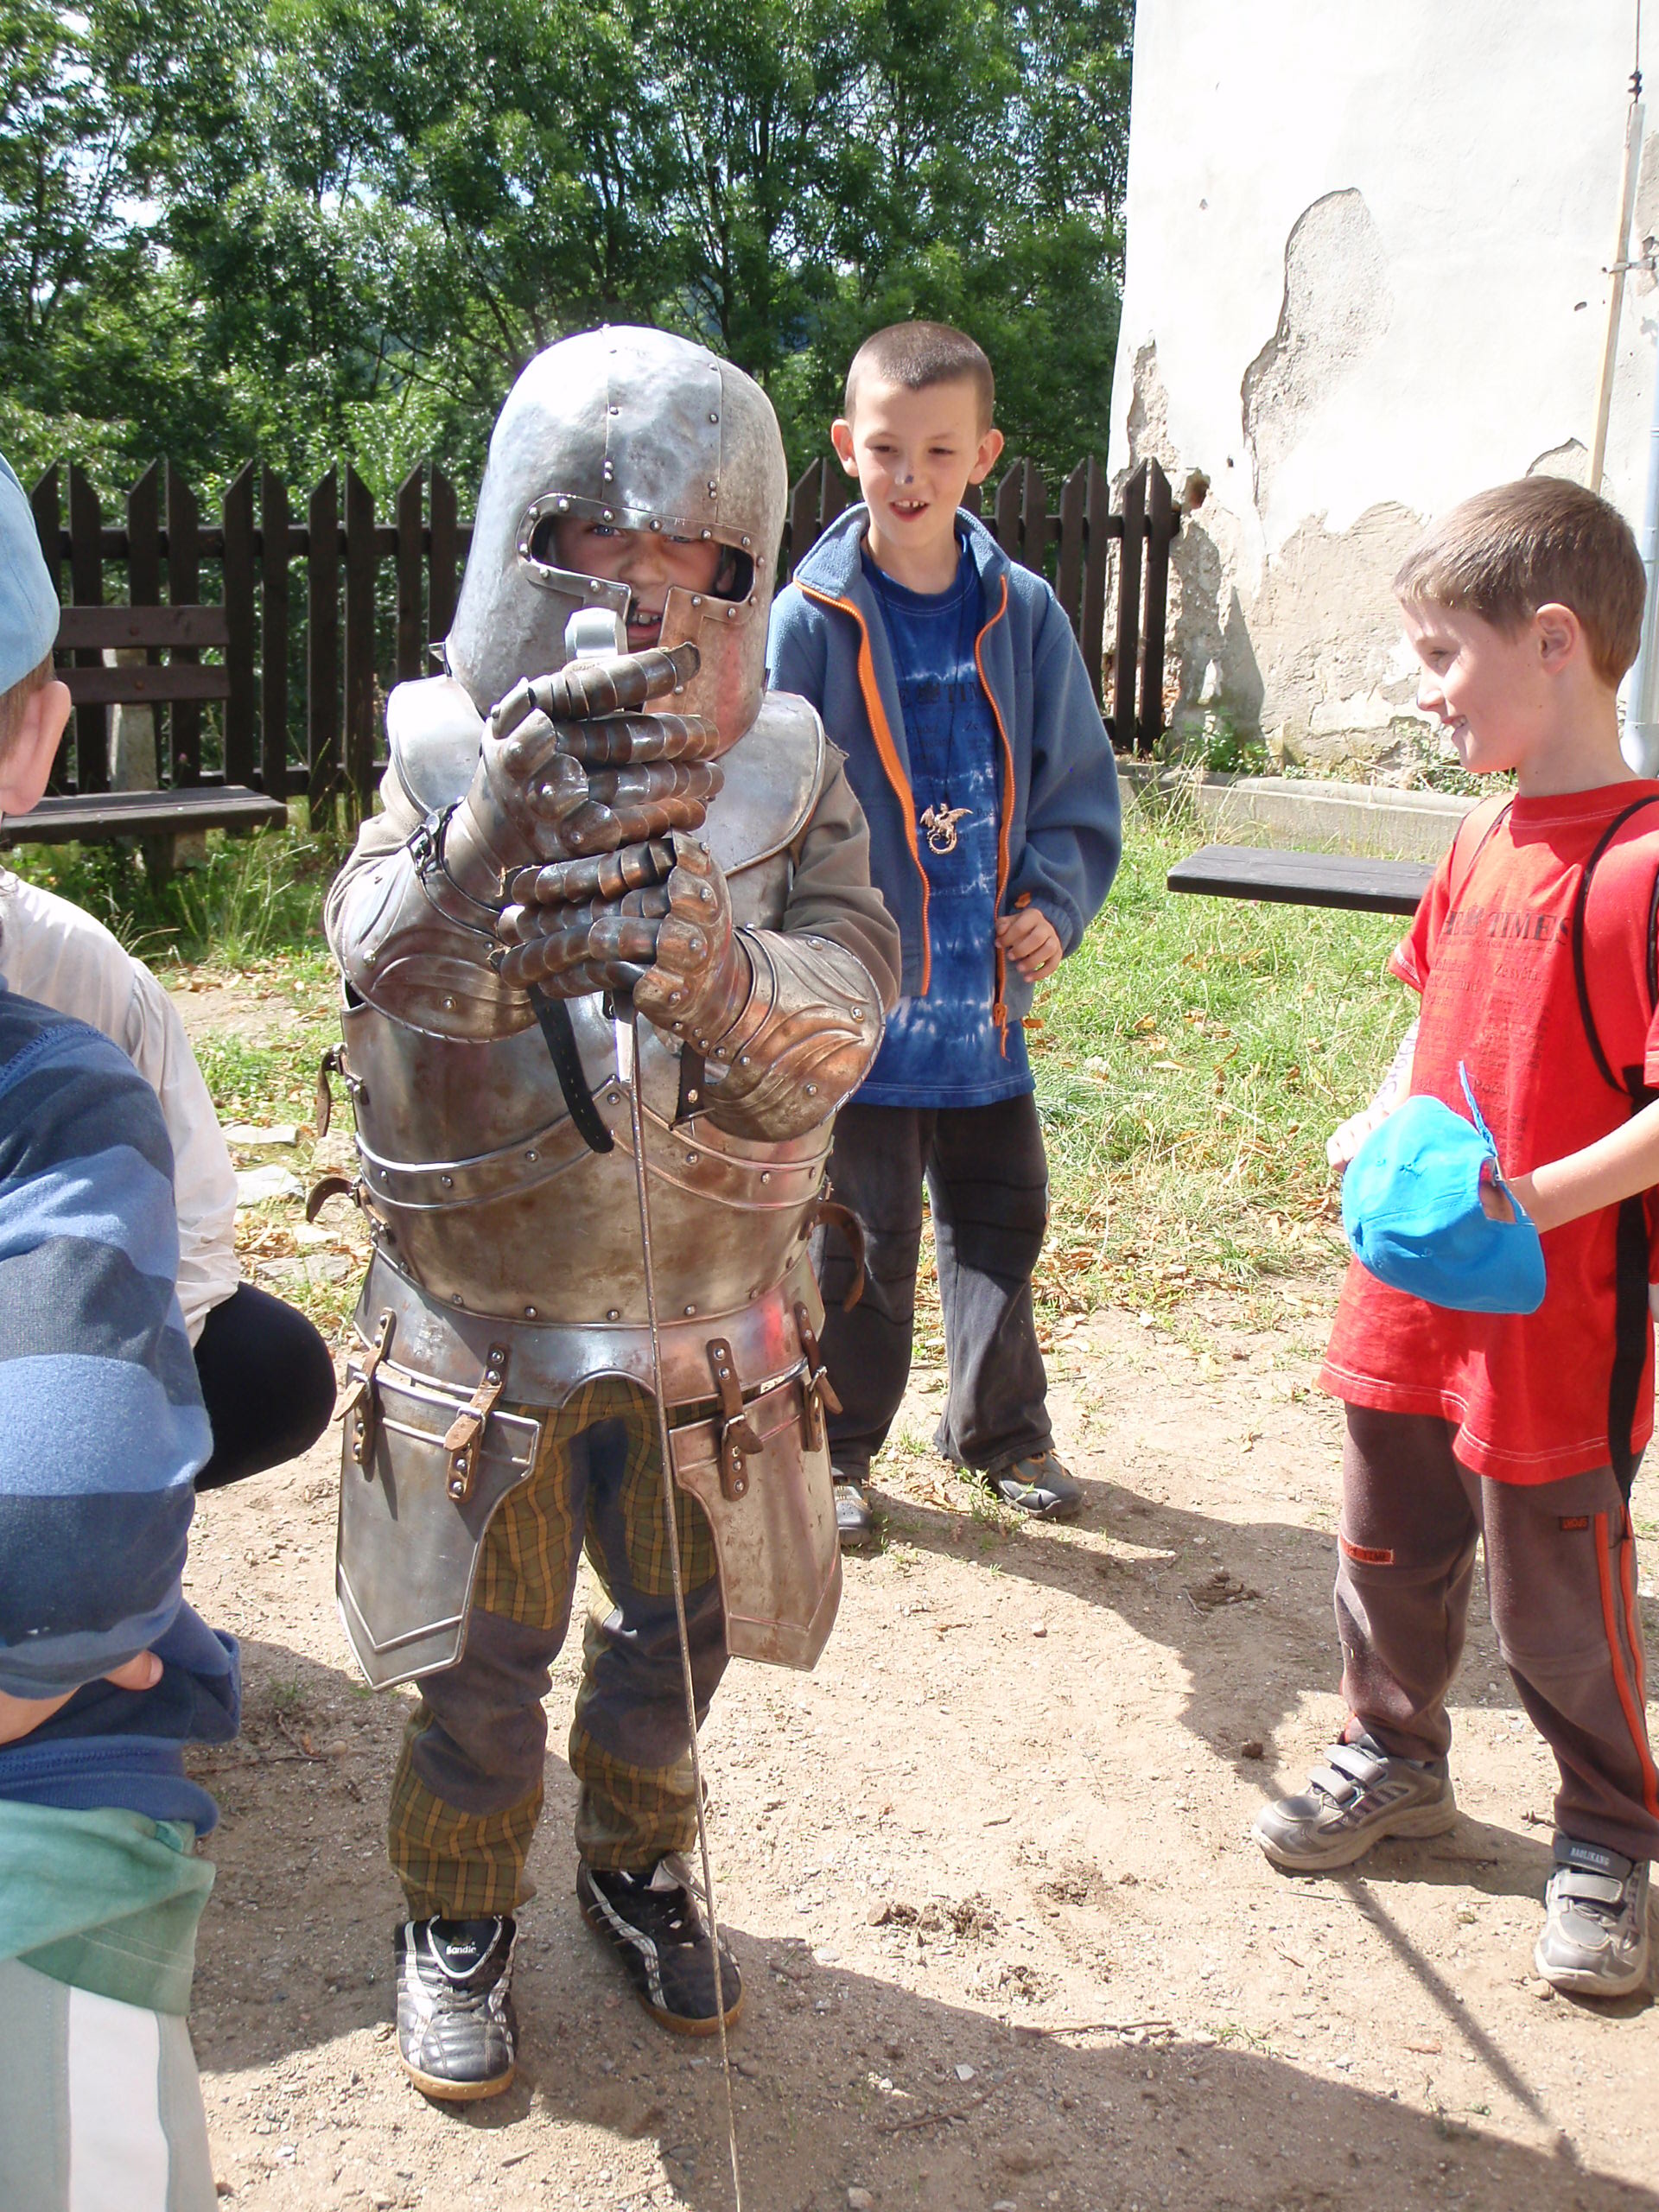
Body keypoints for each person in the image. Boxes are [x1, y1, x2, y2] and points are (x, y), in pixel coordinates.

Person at [322, 325, 899, 2099]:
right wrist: (482, 845)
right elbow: (381, 965)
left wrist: (729, 980)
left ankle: (638, 1860)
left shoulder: (791, 768)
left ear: (749, 570)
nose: (646, 585)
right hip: (481, 1320)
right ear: (529, 536)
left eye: (696, 552)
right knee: (482, 1652)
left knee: (679, 1626)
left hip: (714, 1317)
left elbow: (857, 997)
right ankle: (457, 1906)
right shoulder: (439, 752)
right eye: (601, 538)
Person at [1253, 477, 1659, 2000]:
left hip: (1558, 1314)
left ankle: (1609, 1831)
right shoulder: (1479, 835)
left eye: (1441, 656)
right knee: (1386, 1545)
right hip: (1411, 1290)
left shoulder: (1644, 861)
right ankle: (1393, 1753)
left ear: (1554, 641)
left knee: (1557, 1601)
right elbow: (1428, 1017)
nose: (1420, 689)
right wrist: (1379, 1115)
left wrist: (1533, 1200)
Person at [766, 321, 1122, 1547]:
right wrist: (790, 962)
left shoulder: (1024, 612)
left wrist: (1053, 908)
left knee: (1003, 1221)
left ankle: (998, 1429)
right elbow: (771, 801)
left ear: (985, 455)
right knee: (857, 1246)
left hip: (983, 1008)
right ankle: (837, 1449)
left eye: (937, 450)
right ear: (843, 447)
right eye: (885, 449)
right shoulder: (809, 619)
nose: (909, 476)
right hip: (859, 1016)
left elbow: (1077, 786)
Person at [0, 450, 335, 1488]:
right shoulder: (82, 977)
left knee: (271, 1368)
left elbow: (192, 1257)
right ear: (39, 740)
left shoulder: (78, 973)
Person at [0, 976, 240, 2211]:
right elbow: (64, 1571)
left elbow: (204, 1251)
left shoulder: (85, 998)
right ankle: (460, 1919)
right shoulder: (43, 1072)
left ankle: (629, 1868)